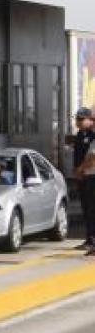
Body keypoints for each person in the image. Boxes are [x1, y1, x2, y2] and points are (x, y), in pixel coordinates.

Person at [73, 107, 95, 252]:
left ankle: (92, 240)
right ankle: (89, 239)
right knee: (86, 209)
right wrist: (77, 171)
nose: (78, 122)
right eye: (77, 119)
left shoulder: (93, 135)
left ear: (89, 119)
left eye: (81, 119)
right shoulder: (81, 134)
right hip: (82, 175)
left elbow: (92, 156)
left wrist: (80, 169)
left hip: (91, 175)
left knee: (92, 209)